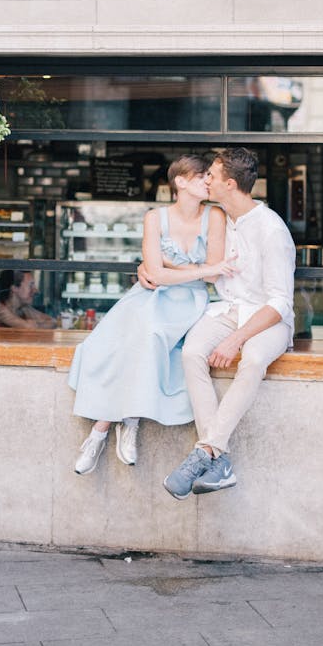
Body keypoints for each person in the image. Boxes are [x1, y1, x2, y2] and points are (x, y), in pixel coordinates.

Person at [68, 155, 233, 476]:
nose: (207, 182)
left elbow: (211, 278)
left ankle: (104, 428)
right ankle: (121, 422)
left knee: (149, 335)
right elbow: (161, 276)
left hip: (189, 302)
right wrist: (188, 269)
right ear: (180, 181)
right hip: (148, 296)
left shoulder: (215, 216)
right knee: (121, 339)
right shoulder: (155, 217)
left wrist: (167, 267)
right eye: (201, 177)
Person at [157, 147, 295, 499]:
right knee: (191, 354)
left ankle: (205, 451)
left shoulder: (271, 229)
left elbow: (279, 302)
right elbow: (197, 262)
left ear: (230, 184)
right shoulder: (221, 218)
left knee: (251, 360)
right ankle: (220, 462)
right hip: (229, 309)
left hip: (268, 319)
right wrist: (153, 270)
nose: (207, 180)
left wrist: (235, 340)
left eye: (212, 176)